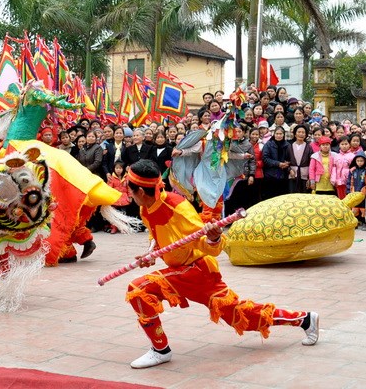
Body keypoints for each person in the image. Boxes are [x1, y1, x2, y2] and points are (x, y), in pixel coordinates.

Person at [123, 160, 319, 369]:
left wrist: (214, 238)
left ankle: (160, 350)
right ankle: (304, 320)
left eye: (129, 189)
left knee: (139, 289)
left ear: (141, 192)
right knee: (238, 314)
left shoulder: (177, 208)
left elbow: (210, 246)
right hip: (180, 270)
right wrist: (151, 253)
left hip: (196, 270)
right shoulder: (146, 207)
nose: (128, 193)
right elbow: (158, 235)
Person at [260, 126, 291, 200]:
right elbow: (265, 158)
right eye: (277, 133)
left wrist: (287, 163)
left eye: (280, 134)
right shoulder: (268, 144)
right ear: (274, 134)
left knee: (282, 197)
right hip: (270, 175)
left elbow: (291, 158)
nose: (279, 135)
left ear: (283, 135)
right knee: (271, 197)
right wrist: (278, 164)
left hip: (284, 175)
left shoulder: (288, 145)